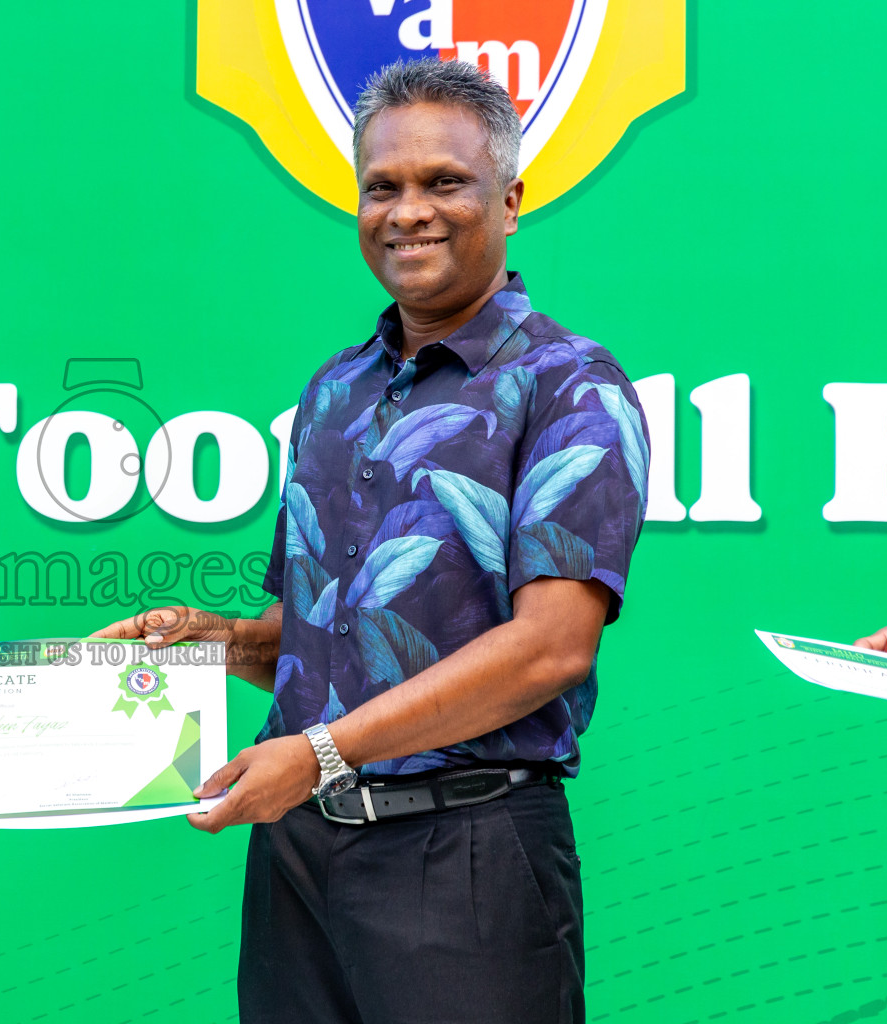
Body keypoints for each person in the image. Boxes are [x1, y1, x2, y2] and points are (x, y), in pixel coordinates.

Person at [77, 58, 647, 1022]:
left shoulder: (572, 385)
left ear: (510, 199)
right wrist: (212, 643)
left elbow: (552, 646)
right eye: (382, 187)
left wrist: (322, 752)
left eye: (443, 183)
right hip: (300, 856)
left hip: (466, 854)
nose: (407, 211)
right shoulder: (336, 391)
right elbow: (320, 639)